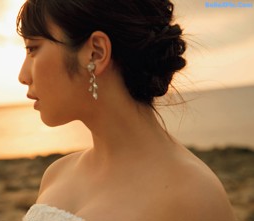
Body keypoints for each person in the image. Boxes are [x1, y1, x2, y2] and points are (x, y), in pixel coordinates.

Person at [17, 0, 236, 220]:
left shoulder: (194, 196)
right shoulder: (56, 174)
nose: (22, 76)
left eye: (32, 49)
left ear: (96, 52)